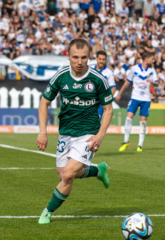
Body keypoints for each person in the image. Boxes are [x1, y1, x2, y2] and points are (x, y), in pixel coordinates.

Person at [36, 38, 114, 224]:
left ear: (89, 57)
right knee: (63, 175)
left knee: (69, 174)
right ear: (68, 56)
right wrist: (42, 132)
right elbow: (44, 102)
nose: (79, 62)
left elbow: (108, 109)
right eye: (75, 57)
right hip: (66, 133)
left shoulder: (98, 79)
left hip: (88, 133)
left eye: (84, 57)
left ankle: (48, 211)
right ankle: (98, 171)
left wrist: (100, 136)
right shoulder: (61, 76)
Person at [115, 52, 158, 152]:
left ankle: (140, 145)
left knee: (143, 122)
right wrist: (120, 93)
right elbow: (127, 82)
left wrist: (153, 83)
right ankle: (126, 142)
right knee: (129, 118)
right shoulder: (134, 69)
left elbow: (157, 83)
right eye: (152, 58)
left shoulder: (152, 70)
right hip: (135, 98)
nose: (153, 60)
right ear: (146, 59)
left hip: (146, 99)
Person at [92, 50, 116, 120]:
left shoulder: (109, 72)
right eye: (100, 59)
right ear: (96, 58)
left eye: (103, 59)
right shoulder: (89, 69)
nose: (101, 61)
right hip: (88, 99)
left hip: (99, 102)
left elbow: (113, 88)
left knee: (96, 120)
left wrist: (106, 100)